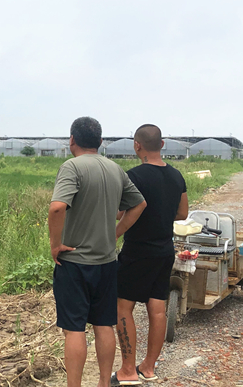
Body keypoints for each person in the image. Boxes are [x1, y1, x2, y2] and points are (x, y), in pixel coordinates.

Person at [48, 117, 146, 387]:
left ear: (72, 140)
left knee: (74, 329)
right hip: (106, 262)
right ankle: (103, 382)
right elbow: (139, 204)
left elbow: (57, 207)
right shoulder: (115, 169)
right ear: (100, 142)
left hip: (75, 262)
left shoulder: (72, 167)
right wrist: (115, 233)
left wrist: (55, 245)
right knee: (103, 324)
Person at [114, 125, 188, 384]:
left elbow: (120, 213)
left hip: (137, 251)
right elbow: (183, 213)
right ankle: (148, 367)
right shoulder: (177, 176)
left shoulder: (134, 176)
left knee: (123, 307)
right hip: (164, 251)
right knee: (157, 309)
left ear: (137, 145)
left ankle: (127, 370)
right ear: (162, 144)